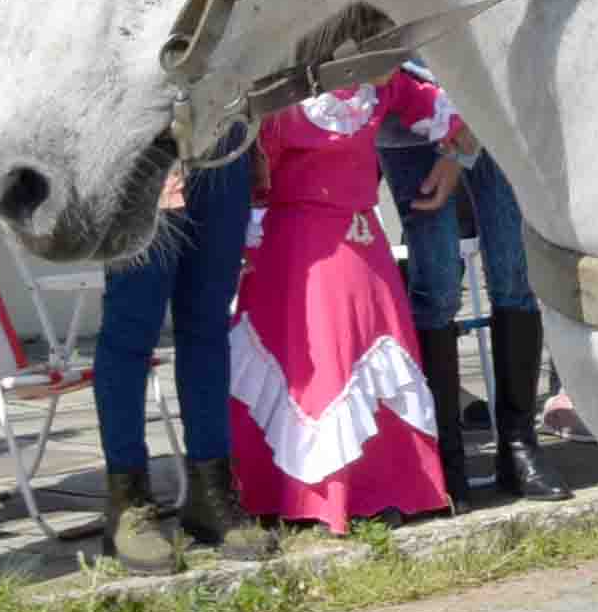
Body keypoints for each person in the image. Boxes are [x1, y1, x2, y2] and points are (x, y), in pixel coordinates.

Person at [233, 70, 455, 530]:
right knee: (321, 363)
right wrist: (245, 242)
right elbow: (253, 183)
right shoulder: (279, 93)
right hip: (297, 248)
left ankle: (384, 487)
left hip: (363, 240)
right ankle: (313, 496)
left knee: (372, 351)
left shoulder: (379, 79)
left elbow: (447, 109)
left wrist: (455, 156)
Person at [87, 138, 279, 574]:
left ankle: (211, 495)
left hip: (224, 144)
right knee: (131, 328)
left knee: (209, 324)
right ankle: (128, 503)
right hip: (141, 148)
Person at [387, 75, 564, 504]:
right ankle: (445, 458)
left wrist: (461, 146)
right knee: (437, 288)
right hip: (410, 118)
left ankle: (519, 447)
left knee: (515, 276)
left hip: (491, 112)